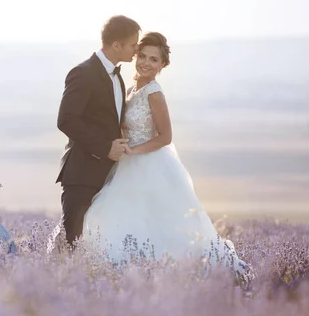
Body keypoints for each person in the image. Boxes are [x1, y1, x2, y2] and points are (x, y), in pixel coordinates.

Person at [81, 32, 250, 279]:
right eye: (142, 56)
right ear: (135, 56)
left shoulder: (154, 93)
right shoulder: (130, 89)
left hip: (150, 164)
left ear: (162, 65)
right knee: (120, 218)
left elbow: (165, 136)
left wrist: (135, 150)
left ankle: (172, 273)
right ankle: (126, 274)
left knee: (158, 224)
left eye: (154, 59)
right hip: (127, 166)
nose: (146, 63)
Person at [52, 15, 141, 249]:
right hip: (82, 176)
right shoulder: (83, 72)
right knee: (74, 246)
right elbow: (66, 120)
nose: (137, 49)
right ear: (116, 45)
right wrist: (105, 147)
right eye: (134, 44)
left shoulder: (117, 76)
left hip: (109, 177)